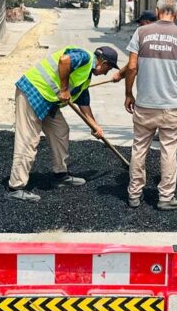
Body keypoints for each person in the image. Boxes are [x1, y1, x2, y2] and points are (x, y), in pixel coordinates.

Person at [8, 45, 122, 202]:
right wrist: (64, 89)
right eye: (108, 69)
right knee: (28, 140)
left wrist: (95, 127)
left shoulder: (85, 77)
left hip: (49, 101)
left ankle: (60, 174)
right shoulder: (85, 57)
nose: (106, 73)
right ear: (103, 63)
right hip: (33, 92)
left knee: (61, 131)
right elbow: (64, 60)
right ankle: (16, 187)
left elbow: (84, 106)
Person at [124, 0, 177, 210]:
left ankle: (134, 194)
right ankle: (165, 198)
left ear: (157, 10)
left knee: (139, 148)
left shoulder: (141, 32)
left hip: (144, 104)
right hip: (171, 105)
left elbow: (131, 67)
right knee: (168, 150)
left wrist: (128, 93)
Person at [138, 9, 177, 101]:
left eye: (141, 24)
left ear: (147, 22)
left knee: (171, 105)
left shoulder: (155, 35)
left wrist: (120, 75)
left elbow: (133, 64)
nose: (139, 27)